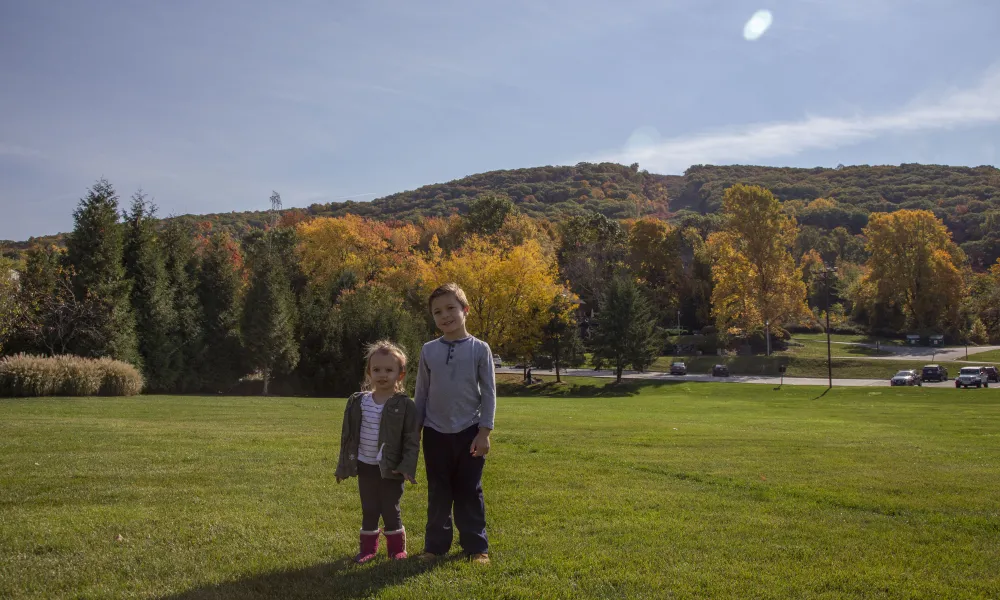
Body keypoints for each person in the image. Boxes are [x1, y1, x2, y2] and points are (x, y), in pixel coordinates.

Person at [415, 283, 496, 564]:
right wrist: (415, 429)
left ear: (465, 310)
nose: (445, 316)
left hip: (470, 432)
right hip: (435, 432)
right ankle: (435, 547)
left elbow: (488, 393)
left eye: (451, 308)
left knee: (468, 490)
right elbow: (421, 393)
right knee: (438, 491)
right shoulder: (428, 350)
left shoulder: (480, 349)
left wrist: (484, 432)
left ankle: (476, 547)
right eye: (437, 312)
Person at [335, 340, 419, 563]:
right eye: (377, 370)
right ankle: (368, 549)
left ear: (400, 374)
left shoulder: (405, 405)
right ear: (369, 372)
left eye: (389, 370)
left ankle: (396, 550)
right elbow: (348, 438)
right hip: (365, 464)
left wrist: (407, 467)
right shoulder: (358, 402)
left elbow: (412, 439)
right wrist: (344, 466)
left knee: (391, 508)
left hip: (392, 467)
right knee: (369, 507)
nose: (383, 375)